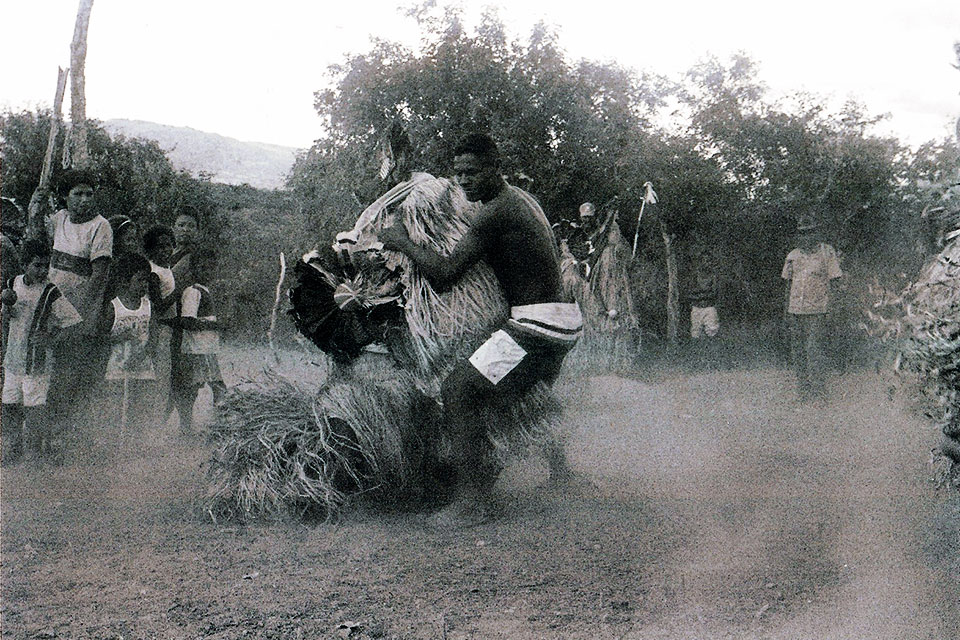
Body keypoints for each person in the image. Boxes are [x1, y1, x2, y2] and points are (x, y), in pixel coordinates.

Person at [381, 133, 583, 526]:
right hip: (561, 320)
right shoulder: (519, 199)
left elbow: (444, 274)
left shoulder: (495, 212)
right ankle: (561, 474)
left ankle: (471, 503)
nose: (464, 182)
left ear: (495, 167)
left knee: (457, 389)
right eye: (458, 175)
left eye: (472, 172)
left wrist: (401, 241)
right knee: (522, 394)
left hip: (538, 326)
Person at [1, 240, 82, 464]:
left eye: (46, 265)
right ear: (25, 265)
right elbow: (5, 318)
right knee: (9, 404)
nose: (42, 270)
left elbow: (73, 322)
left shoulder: (50, 292)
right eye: (37, 265)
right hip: (13, 357)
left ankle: (35, 451)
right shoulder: (11, 285)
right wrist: (5, 313)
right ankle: (12, 447)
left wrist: (50, 338)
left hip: (36, 361)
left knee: (35, 407)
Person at [45, 169, 114, 429]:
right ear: (65, 197)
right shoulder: (59, 219)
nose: (84, 199)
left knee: (70, 373)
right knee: (48, 370)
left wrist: (77, 315)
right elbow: (38, 236)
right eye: (78, 194)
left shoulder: (100, 226)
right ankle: (45, 431)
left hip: (80, 311)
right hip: (52, 306)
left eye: (89, 194)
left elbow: (99, 277)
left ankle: (68, 433)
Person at [781, 217, 842, 400]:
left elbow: (835, 282)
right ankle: (803, 392)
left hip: (817, 310)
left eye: (810, 232)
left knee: (814, 350)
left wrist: (832, 309)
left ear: (817, 233)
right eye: (802, 233)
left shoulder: (826, 253)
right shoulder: (793, 255)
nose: (806, 236)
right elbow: (787, 285)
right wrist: (786, 312)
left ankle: (819, 391)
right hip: (795, 310)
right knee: (798, 352)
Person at [167, 249, 225, 435]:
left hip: (206, 349)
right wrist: (215, 325)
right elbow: (187, 321)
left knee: (200, 388)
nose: (207, 272)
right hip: (197, 350)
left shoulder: (205, 290)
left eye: (211, 268)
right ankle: (211, 425)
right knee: (212, 387)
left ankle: (202, 425)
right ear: (193, 270)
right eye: (202, 268)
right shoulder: (193, 292)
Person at [100, 252, 157, 434]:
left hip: (142, 367)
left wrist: (144, 354)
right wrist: (117, 338)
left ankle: (136, 443)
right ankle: (115, 442)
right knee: (115, 407)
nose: (145, 285)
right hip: (117, 367)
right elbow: (102, 337)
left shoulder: (148, 306)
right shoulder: (114, 306)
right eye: (140, 280)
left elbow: (153, 337)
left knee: (139, 407)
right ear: (125, 282)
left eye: (146, 281)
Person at [688, 248, 720, 340]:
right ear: (700, 262)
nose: (707, 263)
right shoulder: (695, 276)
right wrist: (703, 293)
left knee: (712, 332)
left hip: (709, 307)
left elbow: (714, 293)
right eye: (705, 260)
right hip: (696, 308)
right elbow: (690, 293)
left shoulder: (713, 276)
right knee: (695, 334)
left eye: (709, 261)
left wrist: (700, 294)